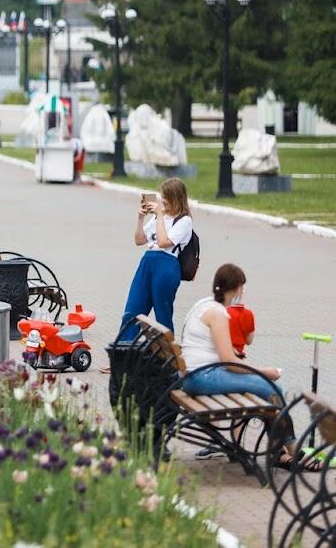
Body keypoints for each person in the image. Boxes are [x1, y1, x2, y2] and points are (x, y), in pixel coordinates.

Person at [178, 263, 313, 468]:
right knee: (272, 388)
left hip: (194, 375)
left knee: (266, 391)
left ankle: (281, 452)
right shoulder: (218, 313)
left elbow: (226, 357)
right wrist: (264, 372)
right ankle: (290, 450)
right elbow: (229, 361)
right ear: (238, 288)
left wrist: (254, 372)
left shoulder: (204, 304)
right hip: (201, 377)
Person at [116, 178, 194, 342]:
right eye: (162, 196)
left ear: (176, 198)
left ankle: (168, 358)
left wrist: (159, 215)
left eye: (166, 197)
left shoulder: (184, 221)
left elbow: (164, 242)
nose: (163, 200)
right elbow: (139, 240)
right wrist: (140, 218)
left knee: (162, 314)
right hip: (147, 263)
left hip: (166, 265)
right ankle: (121, 354)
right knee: (132, 310)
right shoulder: (160, 216)